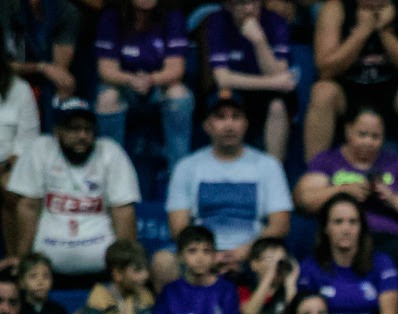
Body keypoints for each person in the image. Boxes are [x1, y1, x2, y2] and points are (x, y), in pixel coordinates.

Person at [296, 106, 398, 285]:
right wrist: (342, 191)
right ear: (348, 130)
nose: (369, 142)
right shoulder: (327, 161)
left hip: (388, 238)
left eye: (375, 137)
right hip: (338, 236)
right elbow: (303, 199)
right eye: (362, 135)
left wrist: (392, 198)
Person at [6, 98, 139, 285]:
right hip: (44, 273)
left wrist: (126, 268)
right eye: (74, 129)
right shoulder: (41, 149)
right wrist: (22, 259)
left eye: (88, 129)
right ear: (57, 131)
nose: (82, 135)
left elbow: (124, 210)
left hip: (103, 271)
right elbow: (28, 206)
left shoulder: (110, 152)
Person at [163, 96, 292, 278]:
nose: (229, 125)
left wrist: (243, 252)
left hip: (251, 251)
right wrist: (208, 255)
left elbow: (280, 225)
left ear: (246, 124)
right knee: (163, 262)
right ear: (207, 125)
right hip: (201, 252)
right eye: (221, 117)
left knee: (276, 258)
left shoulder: (268, 165)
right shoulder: (187, 167)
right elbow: (178, 227)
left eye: (236, 117)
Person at [307, 0, 398, 171]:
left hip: (391, 93)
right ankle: (315, 175)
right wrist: (361, 32)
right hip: (348, 91)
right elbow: (325, 69)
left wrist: (385, 33)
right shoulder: (336, 8)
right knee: (322, 91)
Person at [93, 0, 193, 174]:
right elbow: (106, 70)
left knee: (179, 95)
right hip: (124, 85)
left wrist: (151, 80)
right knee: (107, 98)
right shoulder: (112, 16)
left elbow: (176, 70)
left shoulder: (173, 16)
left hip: (158, 85)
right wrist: (131, 80)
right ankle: (110, 173)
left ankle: (177, 172)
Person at [205, 0, 297, 161]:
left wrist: (259, 41)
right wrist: (273, 83)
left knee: (278, 106)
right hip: (234, 91)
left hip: (267, 95)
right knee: (224, 103)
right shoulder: (217, 22)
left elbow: (279, 73)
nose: (249, 9)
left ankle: (274, 172)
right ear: (229, 5)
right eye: (241, 4)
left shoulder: (276, 22)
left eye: (253, 3)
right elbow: (223, 79)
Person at [0, 45, 41, 257]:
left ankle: (16, 261)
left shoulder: (20, 89)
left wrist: (7, 166)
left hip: (8, 167)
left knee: (11, 187)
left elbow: (27, 142)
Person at [4, 0, 77, 114]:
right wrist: (42, 67)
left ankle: (55, 127)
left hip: (44, 82)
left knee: (64, 84)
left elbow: (59, 70)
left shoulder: (64, 10)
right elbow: (3, 65)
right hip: (9, 79)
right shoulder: (6, 9)